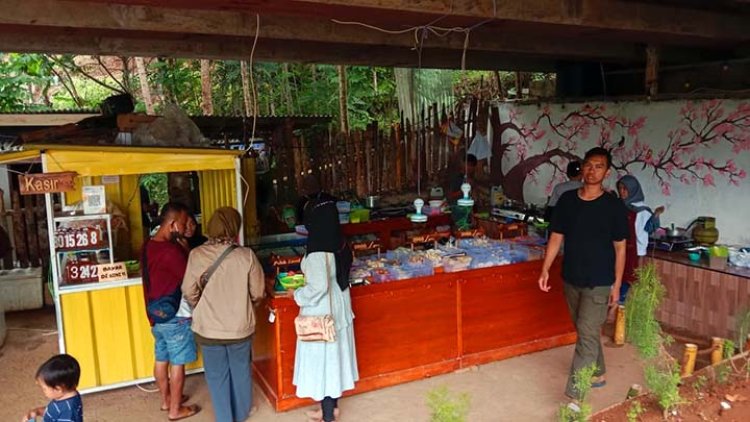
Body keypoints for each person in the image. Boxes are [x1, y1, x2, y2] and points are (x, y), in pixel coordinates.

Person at [537, 147, 629, 401]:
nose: (592, 170)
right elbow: (556, 237)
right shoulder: (567, 201)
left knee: (586, 334)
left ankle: (575, 397)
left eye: (598, 166)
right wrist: (545, 268)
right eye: (588, 165)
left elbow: (620, 248)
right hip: (571, 277)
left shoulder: (613, 206)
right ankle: (598, 371)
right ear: (582, 168)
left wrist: (617, 284)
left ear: (607, 172)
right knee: (584, 330)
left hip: (600, 281)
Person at [182, 207, 266, 422]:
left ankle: (225, 418)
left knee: (217, 376)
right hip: (240, 327)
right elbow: (258, 292)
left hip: (208, 328)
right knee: (240, 372)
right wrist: (246, 307)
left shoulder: (197, 255)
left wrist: (202, 305)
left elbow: (189, 291)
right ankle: (241, 414)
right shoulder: (246, 256)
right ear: (234, 227)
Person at [291, 191, 358, 422]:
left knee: (325, 362)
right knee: (335, 357)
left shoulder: (318, 249)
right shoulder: (340, 242)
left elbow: (317, 287)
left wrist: (297, 294)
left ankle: (327, 416)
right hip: (338, 309)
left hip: (322, 313)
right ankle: (332, 408)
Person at [143, 202, 200, 421]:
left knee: (161, 358)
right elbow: (190, 278)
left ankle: (166, 401)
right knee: (178, 363)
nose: (186, 228)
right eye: (184, 224)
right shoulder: (172, 251)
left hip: (156, 314)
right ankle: (176, 410)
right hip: (176, 315)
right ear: (173, 224)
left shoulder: (148, 245)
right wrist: (186, 251)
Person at [616, 175, 664, 302]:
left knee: (628, 275)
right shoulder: (618, 205)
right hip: (618, 246)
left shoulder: (641, 210)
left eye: (625, 189)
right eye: (620, 188)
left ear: (633, 190)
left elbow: (649, 228)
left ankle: (622, 300)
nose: (621, 192)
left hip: (633, 249)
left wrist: (655, 216)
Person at [22, 354, 83, 422]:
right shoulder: (66, 396)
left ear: (58, 389)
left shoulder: (68, 414)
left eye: (44, 389)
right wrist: (37, 411)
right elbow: (54, 412)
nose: (42, 391)